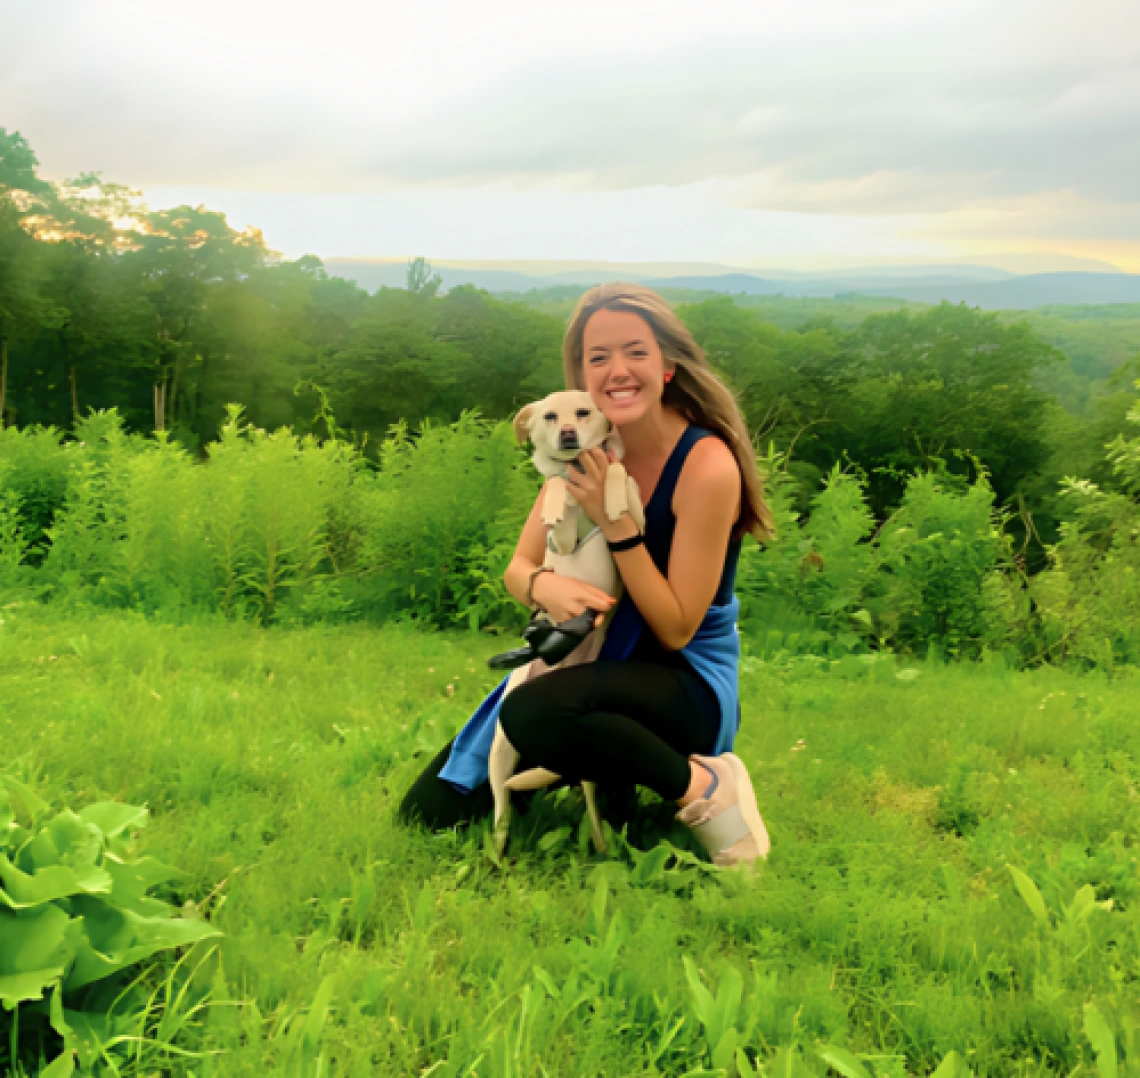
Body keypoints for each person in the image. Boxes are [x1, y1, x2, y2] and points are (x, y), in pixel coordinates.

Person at [398, 283, 775, 866]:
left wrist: (615, 522)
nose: (617, 370)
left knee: (531, 712)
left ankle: (704, 784)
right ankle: (595, 765)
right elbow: (519, 567)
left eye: (635, 352)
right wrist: (541, 586)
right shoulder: (581, 446)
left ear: (668, 365)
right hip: (596, 657)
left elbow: (676, 628)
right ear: (581, 376)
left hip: (684, 677)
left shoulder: (706, 465)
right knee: (429, 813)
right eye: (597, 357)